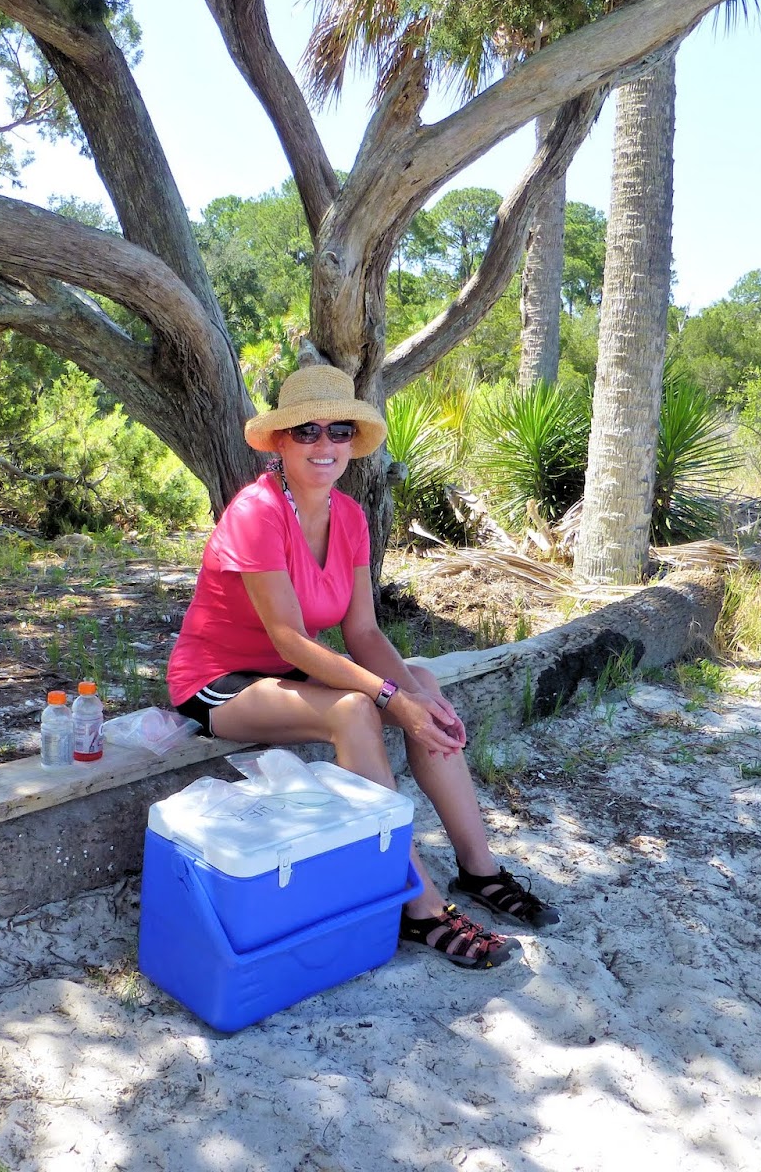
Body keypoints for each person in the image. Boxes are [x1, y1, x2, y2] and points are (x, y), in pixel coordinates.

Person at [167, 363, 562, 970]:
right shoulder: (256, 512)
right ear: (279, 441)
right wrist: (386, 698)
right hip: (220, 681)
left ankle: (479, 871)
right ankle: (415, 904)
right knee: (358, 710)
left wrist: (410, 696)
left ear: (353, 440)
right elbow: (293, 640)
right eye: (307, 431)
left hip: (289, 674)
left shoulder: (350, 516)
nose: (324, 445)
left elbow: (364, 632)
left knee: (425, 684)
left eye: (339, 429)